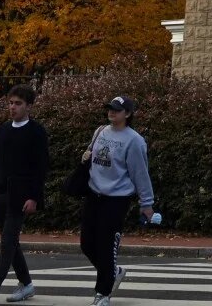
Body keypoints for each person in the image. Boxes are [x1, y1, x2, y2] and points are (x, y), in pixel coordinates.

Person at [0, 85, 50, 305]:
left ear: (29, 106)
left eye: (18, 103)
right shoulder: (4, 130)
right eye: (10, 103)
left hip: (21, 196)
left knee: (8, 243)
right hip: (0, 194)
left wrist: (34, 197)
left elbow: (40, 168)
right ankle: (26, 284)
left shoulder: (36, 132)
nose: (13, 107)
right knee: (11, 242)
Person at [81, 95, 155, 306]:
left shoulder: (134, 140)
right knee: (87, 244)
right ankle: (114, 272)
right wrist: (86, 156)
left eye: (116, 109)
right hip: (93, 194)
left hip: (116, 199)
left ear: (128, 114)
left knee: (106, 247)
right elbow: (91, 156)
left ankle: (102, 293)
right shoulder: (100, 131)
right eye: (109, 108)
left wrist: (146, 203)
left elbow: (140, 173)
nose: (111, 112)